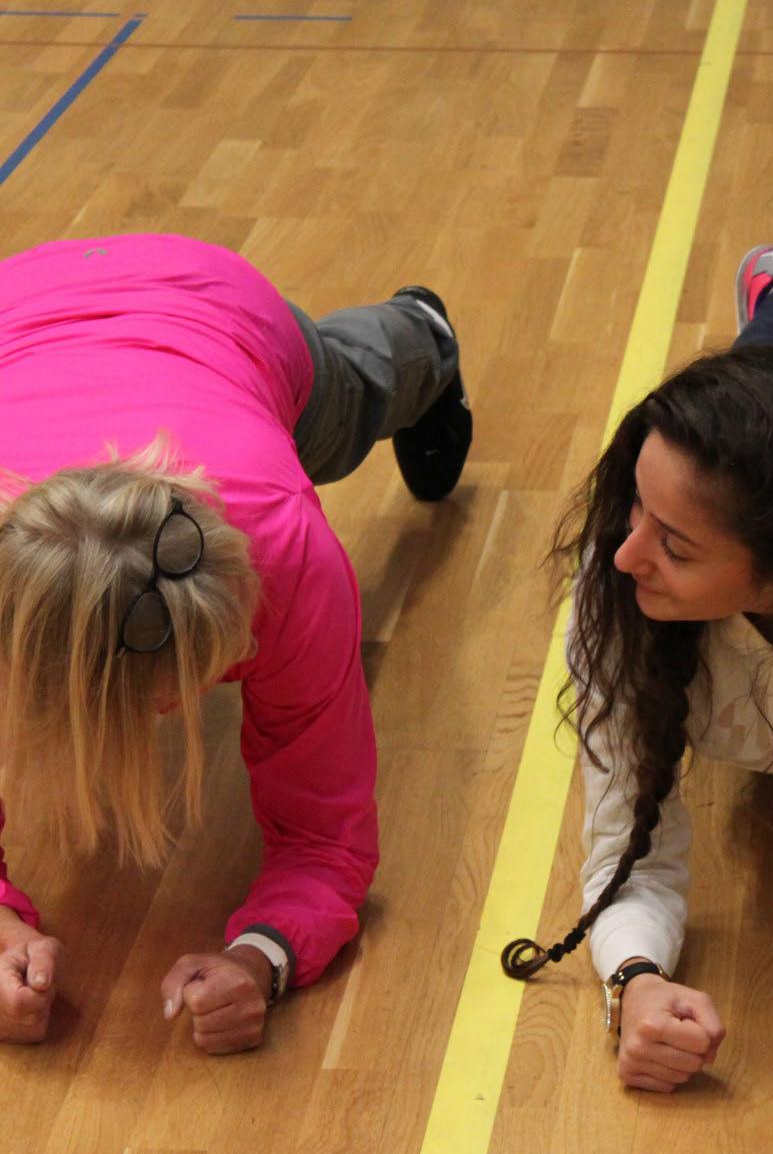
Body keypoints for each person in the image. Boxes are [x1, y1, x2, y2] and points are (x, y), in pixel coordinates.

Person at [0, 233, 471, 1054]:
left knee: (352, 393)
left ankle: (421, 329)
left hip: (217, 309)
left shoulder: (287, 550)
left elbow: (327, 834)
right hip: (21, 313)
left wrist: (265, 956)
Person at [501, 244, 773, 1097]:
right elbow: (629, 851)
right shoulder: (618, 586)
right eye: (634, 506)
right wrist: (636, 980)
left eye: (676, 545)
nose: (623, 555)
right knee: (758, 399)